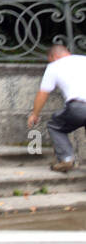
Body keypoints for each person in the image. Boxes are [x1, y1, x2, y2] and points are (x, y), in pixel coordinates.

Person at [28, 42, 86, 171]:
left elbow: (43, 93)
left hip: (80, 107)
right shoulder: (84, 59)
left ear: (53, 57)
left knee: (55, 126)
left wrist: (35, 114)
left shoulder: (54, 66)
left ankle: (66, 159)